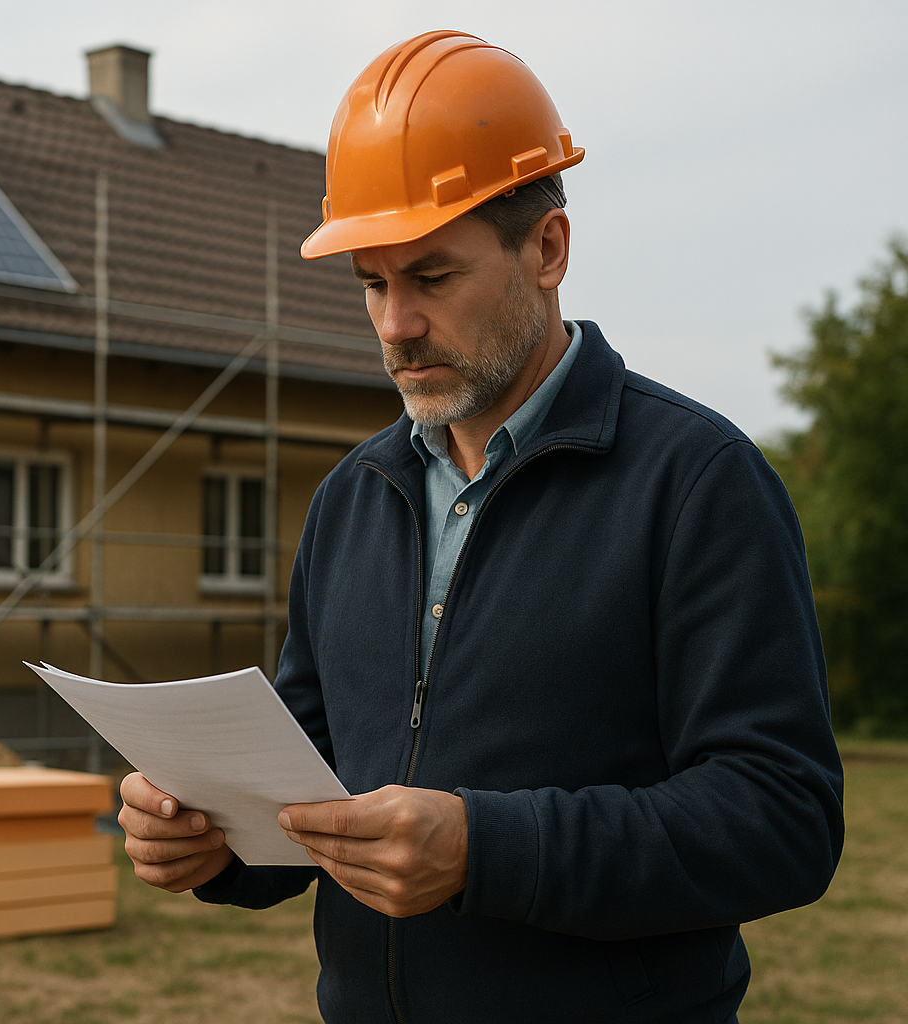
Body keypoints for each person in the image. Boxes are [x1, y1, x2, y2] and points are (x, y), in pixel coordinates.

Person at [117, 29, 844, 1023]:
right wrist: (216, 844)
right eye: (373, 283)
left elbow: (782, 818)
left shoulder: (696, 481)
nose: (393, 325)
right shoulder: (351, 499)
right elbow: (309, 784)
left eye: (432, 277)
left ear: (547, 250)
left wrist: (486, 848)